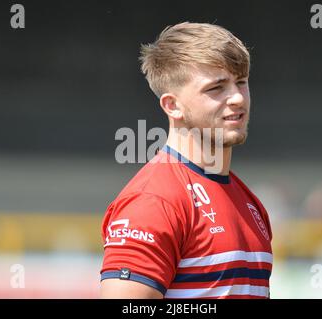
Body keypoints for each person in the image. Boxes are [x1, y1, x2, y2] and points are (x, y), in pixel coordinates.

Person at [100, 22, 273, 299]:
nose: (238, 98)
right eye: (216, 88)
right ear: (173, 105)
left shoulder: (250, 202)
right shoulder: (154, 200)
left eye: (241, 82)